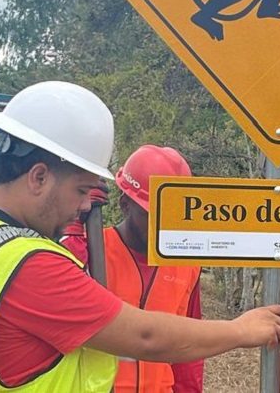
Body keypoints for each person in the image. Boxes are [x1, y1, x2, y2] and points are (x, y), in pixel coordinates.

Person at [0, 81, 280, 393]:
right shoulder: (32, 266)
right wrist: (240, 330)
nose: (88, 206)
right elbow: (144, 337)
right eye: (82, 190)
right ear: (38, 177)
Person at [62, 145, 204, 393]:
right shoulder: (90, 251)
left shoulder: (188, 264)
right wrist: (75, 218)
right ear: (125, 205)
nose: (162, 226)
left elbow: (188, 348)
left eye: (171, 215)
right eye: (152, 215)